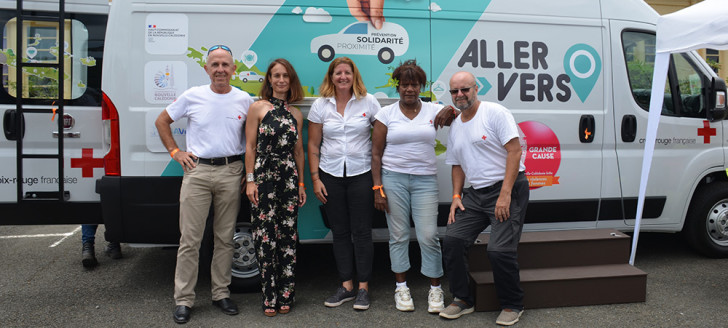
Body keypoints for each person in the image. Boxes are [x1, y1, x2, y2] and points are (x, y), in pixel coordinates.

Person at [154, 44, 253, 324]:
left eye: (225, 65)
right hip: (197, 172)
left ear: (234, 69)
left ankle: (221, 294)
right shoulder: (192, 96)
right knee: (190, 240)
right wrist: (176, 152)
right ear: (206, 68)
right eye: (215, 65)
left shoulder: (244, 99)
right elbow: (162, 121)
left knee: (224, 238)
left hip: (230, 171)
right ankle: (184, 300)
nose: (220, 69)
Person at [439, 71, 529, 326]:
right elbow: (456, 164)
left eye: (465, 89)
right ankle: (462, 299)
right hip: (476, 195)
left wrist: (505, 195)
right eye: (455, 91)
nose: (460, 95)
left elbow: (514, 150)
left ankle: (513, 304)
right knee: (453, 240)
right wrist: (456, 195)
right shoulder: (456, 126)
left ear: (476, 88)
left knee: (499, 250)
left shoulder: (495, 113)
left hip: (507, 189)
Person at [370, 59, 446, 313]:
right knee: (399, 235)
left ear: (421, 86)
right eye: (404, 85)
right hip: (393, 179)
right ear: (398, 86)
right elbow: (376, 154)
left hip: (425, 180)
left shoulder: (434, 110)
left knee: (428, 236)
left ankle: (435, 290)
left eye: (414, 85)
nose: (409, 89)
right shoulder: (386, 114)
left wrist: (452, 111)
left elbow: (464, 112)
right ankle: (401, 288)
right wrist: (377, 187)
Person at [308, 57, 381, 311]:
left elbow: (381, 138)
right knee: (339, 232)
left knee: (362, 232)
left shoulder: (368, 101)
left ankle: (363, 288)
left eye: (347, 72)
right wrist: (315, 179)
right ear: (331, 76)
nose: (342, 77)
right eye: (337, 72)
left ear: (354, 75)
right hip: (330, 175)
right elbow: (313, 145)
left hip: (361, 174)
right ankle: (346, 286)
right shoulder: (320, 105)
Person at [244, 58, 306, 317]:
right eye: (276, 75)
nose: (281, 80)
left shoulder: (296, 114)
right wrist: (250, 180)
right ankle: (269, 296)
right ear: (269, 80)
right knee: (264, 237)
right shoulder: (258, 108)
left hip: (289, 178)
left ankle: (286, 294)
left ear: (290, 80)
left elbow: (299, 151)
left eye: (285, 76)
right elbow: (249, 147)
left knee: (287, 237)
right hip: (263, 177)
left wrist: (302, 183)